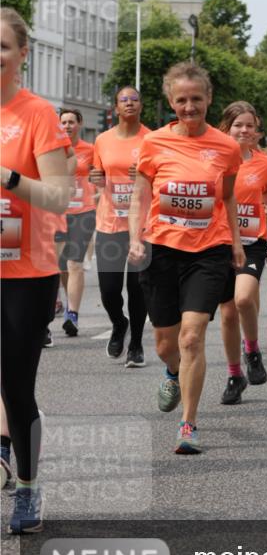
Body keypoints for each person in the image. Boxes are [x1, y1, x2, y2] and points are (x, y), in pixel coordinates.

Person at [128, 62, 244, 454]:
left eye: (196, 98)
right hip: (161, 249)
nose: (189, 107)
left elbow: (228, 195)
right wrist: (135, 237)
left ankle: (188, 423)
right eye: (181, 100)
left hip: (208, 250)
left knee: (192, 335)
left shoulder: (226, 147)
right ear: (170, 101)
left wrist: (236, 241)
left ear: (209, 98)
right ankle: (173, 370)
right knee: (166, 343)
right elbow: (140, 196)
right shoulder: (153, 143)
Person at [1, 7, 70, 532]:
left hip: (24, 272)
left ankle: (27, 487)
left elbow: (58, 196)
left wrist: (7, 177)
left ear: (23, 54)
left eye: (3, 46)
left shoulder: (37, 114)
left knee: (16, 386)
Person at [217, 102, 267, 404]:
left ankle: (253, 351)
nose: (244, 130)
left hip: (252, 243)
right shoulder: (214, 161)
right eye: (238, 125)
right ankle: (235, 375)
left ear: (257, 130)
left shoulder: (265, 164)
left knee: (244, 299)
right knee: (227, 314)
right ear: (226, 128)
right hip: (219, 242)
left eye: (249, 125)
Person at [90, 87, 151, 366]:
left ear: (141, 106)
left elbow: (163, 177)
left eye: (134, 99)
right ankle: (119, 323)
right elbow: (99, 175)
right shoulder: (102, 140)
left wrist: (146, 176)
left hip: (143, 225)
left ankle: (136, 344)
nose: (129, 103)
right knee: (109, 289)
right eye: (123, 100)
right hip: (110, 222)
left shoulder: (152, 139)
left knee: (138, 288)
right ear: (116, 108)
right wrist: (97, 179)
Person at [58, 109, 96, 336]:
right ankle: (66, 304)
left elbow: (101, 175)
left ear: (79, 124)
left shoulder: (90, 150)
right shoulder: (52, 150)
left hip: (84, 212)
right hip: (57, 212)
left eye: (71, 122)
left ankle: (72, 314)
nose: (67, 126)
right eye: (63, 122)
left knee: (74, 263)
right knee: (61, 266)